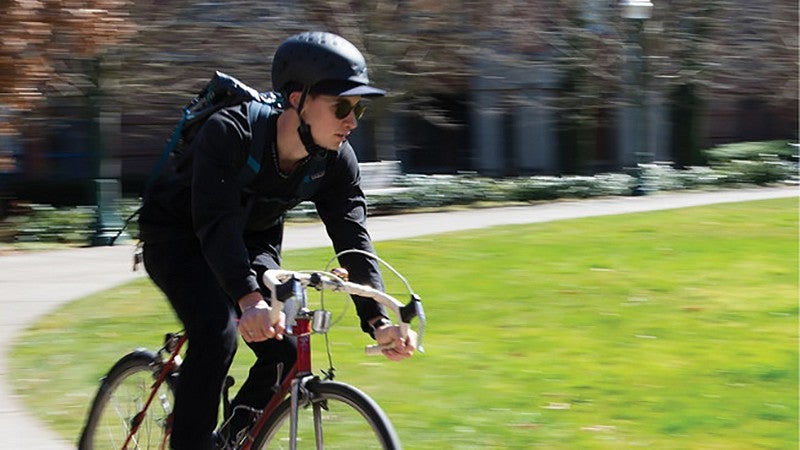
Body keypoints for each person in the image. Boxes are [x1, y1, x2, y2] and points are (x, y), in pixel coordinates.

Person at [138, 31, 416, 450]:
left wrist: (376, 319)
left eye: (358, 107)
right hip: (177, 236)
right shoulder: (230, 132)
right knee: (218, 330)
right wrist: (249, 300)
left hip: (249, 241)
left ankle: (230, 441)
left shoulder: (336, 160)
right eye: (341, 106)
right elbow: (215, 223)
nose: (353, 120)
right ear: (297, 99)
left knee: (285, 350)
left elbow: (352, 237)